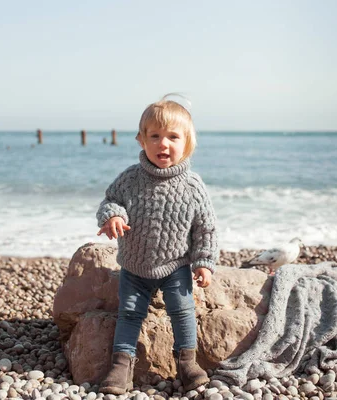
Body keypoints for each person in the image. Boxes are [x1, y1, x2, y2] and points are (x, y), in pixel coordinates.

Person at [96, 95, 218, 394]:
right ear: (141, 140)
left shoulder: (192, 186)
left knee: (182, 309)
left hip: (176, 265)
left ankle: (187, 362)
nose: (163, 144)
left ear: (187, 143)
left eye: (173, 137)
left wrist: (204, 262)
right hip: (135, 265)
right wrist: (113, 215)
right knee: (129, 312)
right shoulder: (130, 179)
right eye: (155, 136)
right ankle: (121, 365)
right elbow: (110, 200)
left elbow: (206, 227)